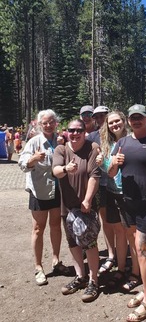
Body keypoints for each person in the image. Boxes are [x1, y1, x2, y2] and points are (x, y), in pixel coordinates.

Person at [109, 104, 146, 321]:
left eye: (140, 117)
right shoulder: (122, 142)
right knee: (138, 249)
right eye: (132, 118)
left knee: (142, 250)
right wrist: (113, 164)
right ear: (129, 121)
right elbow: (110, 171)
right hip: (129, 203)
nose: (136, 121)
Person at [52, 118, 102, 303]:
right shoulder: (61, 149)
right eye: (71, 130)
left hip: (86, 206)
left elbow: (94, 176)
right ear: (66, 132)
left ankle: (94, 280)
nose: (74, 134)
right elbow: (55, 171)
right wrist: (66, 168)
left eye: (78, 130)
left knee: (89, 243)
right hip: (67, 207)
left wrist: (88, 199)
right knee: (73, 242)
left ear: (84, 131)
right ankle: (80, 277)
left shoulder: (92, 147)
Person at [18, 109, 67, 286]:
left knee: (56, 226)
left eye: (51, 122)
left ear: (56, 123)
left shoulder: (61, 140)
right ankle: (38, 267)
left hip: (57, 190)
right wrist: (33, 159)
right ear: (39, 124)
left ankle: (56, 260)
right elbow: (22, 164)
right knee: (38, 228)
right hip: (39, 192)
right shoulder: (34, 142)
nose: (48, 125)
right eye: (44, 123)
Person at [95, 110, 142, 292]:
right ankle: (121, 268)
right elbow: (109, 170)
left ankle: (136, 273)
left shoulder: (133, 139)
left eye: (117, 121)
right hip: (112, 191)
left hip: (130, 193)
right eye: (111, 123)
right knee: (118, 232)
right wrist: (102, 163)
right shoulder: (107, 144)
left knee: (132, 234)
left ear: (124, 121)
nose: (114, 125)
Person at [87, 105, 116, 275]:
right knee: (105, 220)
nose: (99, 119)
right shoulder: (91, 136)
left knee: (120, 223)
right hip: (101, 185)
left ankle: (120, 252)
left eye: (102, 116)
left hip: (118, 184)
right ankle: (111, 254)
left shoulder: (116, 133)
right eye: (96, 117)